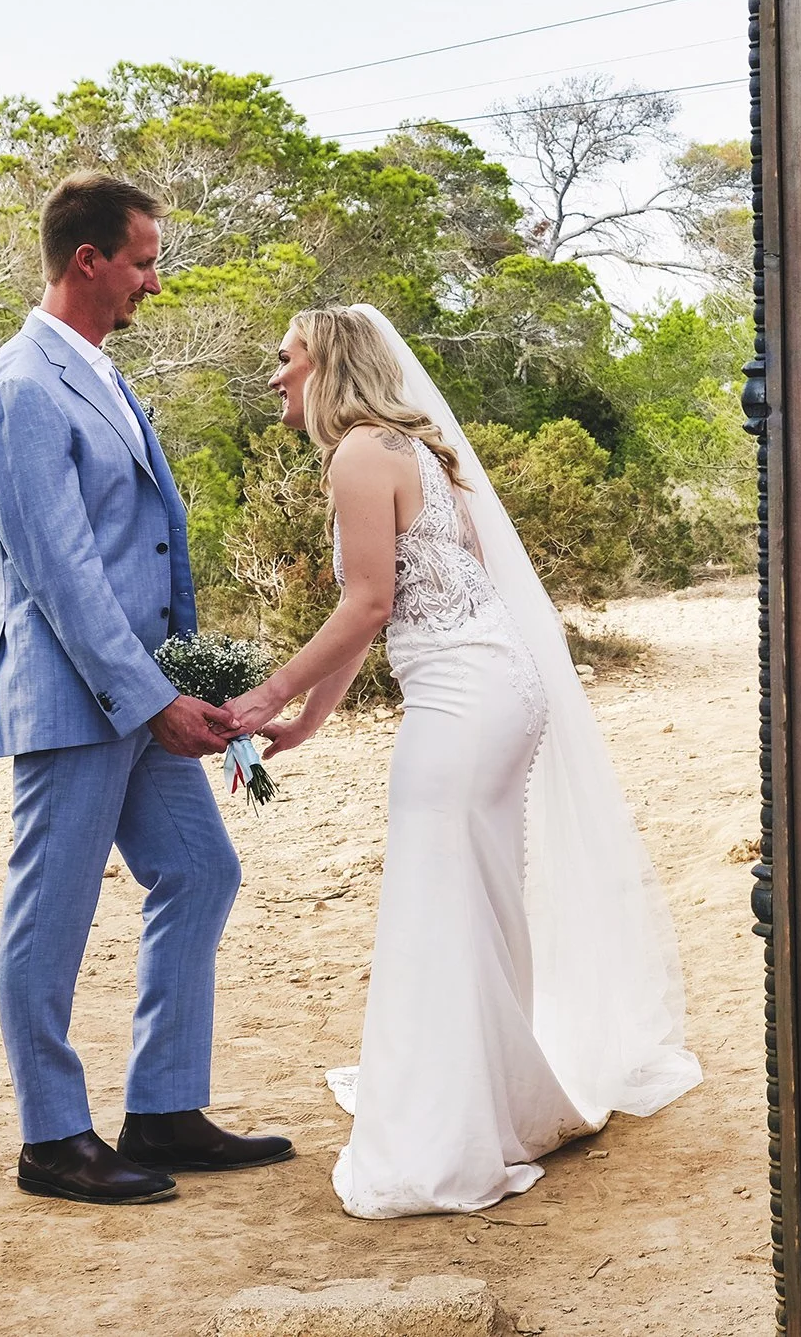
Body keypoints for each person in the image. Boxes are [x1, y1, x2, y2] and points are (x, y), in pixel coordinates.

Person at [223, 305, 700, 1219]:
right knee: (474, 896)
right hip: (492, 688)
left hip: (461, 700)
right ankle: (496, 1100)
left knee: (437, 899)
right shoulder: (416, 449)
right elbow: (394, 606)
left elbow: (365, 606)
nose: (276, 377)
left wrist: (264, 697)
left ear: (328, 362)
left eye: (286, 358)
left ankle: (447, 1139)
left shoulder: (359, 455)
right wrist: (312, 719)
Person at [0, 172, 292, 1205]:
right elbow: (59, 572)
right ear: (87, 259)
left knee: (200, 870)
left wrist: (188, 687)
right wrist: (152, 697)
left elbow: (148, 544)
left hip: (145, 697)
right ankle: (53, 1137)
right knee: (49, 916)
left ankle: (163, 1107)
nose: (155, 277)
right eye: (143, 258)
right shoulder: (17, 389)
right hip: (74, 699)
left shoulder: (99, 374)